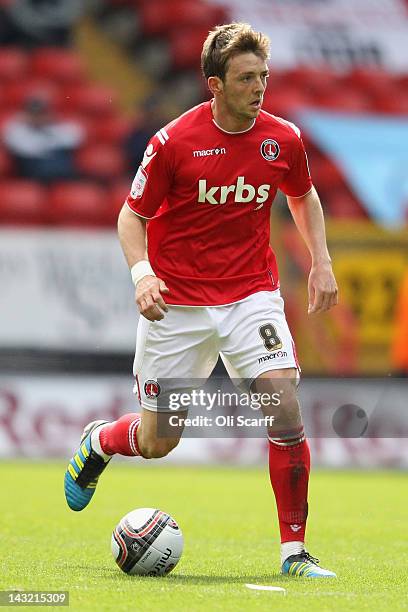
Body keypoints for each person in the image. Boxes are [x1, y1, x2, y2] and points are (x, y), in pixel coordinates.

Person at [64, 23, 338, 578]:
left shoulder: (281, 139)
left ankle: (294, 553)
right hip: (179, 305)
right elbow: (130, 216)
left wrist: (322, 262)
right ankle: (101, 441)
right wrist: (143, 275)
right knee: (161, 439)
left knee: (282, 405)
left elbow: (303, 195)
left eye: (263, 75)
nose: (259, 87)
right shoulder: (172, 143)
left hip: (250, 296)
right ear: (214, 84)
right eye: (245, 78)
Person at [2, 95, 84, 183]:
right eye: (34, 114)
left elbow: (73, 139)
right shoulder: (16, 129)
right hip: (33, 171)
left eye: (41, 113)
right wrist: (51, 144)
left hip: (61, 169)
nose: (38, 117)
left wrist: (50, 127)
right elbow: (26, 149)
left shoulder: (57, 127)